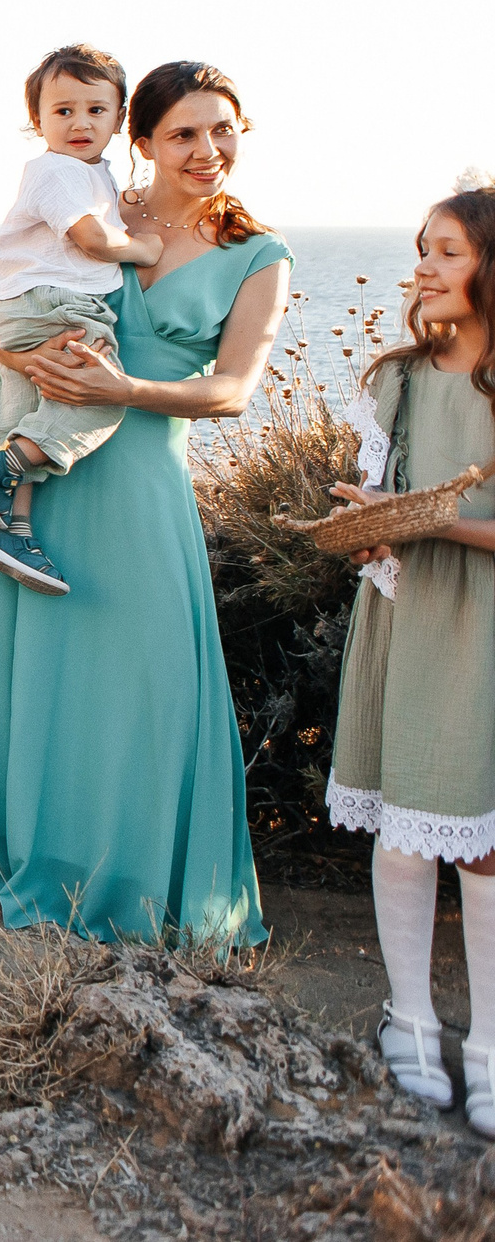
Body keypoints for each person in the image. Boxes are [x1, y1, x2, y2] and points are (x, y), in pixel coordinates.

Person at [0, 61, 289, 948]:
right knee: (23, 670)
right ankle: (1, 849)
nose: (208, 149)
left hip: (139, 490)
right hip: (26, 474)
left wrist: (122, 385)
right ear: (140, 142)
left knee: (140, 687)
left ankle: (128, 881)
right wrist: (40, 371)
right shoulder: (92, 211)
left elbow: (231, 391)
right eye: (184, 133)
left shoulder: (258, 252)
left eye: (223, 129)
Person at [319, 179, 495, 1130]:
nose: (424, 265)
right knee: (402, 821)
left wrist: (437, 525)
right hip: (408, 613)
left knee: (486, 841)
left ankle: (492, 1043)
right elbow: (382, 499)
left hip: (487, 627)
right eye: (423, 246)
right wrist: (375, 530)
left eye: (450, 251)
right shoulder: (397, 378)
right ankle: (412, 1020)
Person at [0, 44, 163, 596]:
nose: (80, 123)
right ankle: (8, 464)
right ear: (37, 120)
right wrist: (144, 250)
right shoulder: (58, 173)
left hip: (26, 304)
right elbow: (92, 240)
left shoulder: (92, 175)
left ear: (120, 118)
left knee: (31, 409)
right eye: (63, 110)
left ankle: (14, 533)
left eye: (96, 110)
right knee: (99, 395)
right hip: (57, 304)